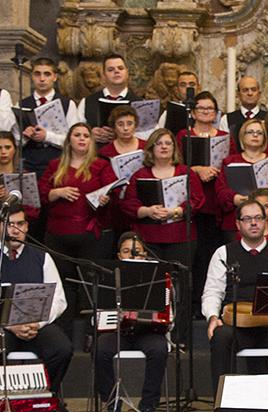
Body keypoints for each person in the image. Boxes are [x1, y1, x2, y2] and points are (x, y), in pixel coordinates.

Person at [0, 207, 73, 412]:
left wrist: (38, 322)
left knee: (62, 348)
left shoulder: (42, 258)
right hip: (2, 328)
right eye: (9, 224)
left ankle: (46, 398)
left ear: (26, 227)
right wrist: (9, 324)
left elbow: (59, 299)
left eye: (20, 224)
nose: (15, 230)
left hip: (36, 324)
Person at [203, 198, 268, 388]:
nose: (253, 222)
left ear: (266, 222)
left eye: (258, 218)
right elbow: (212, 291)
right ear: (238, 224)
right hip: (238, 327)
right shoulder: (223, 253)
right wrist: (212, 317)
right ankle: (224, 410)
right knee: (220, 336)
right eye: (247, 218)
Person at [121, 127, 206, 341]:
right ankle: (151, 333)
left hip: (181, 237)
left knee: (182, 289)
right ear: (151, 148)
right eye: (159, 143)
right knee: (151, 289)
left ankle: (180, 338)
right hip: (149, 238)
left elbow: (198, 200)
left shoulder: (186, 173)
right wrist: (148, 211)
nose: (164, 147)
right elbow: (128, 204)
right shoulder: (140, 175)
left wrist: (178, 210)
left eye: (168, 143)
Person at [39, 122, 116, 336]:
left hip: (90, 233)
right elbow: (42, 193)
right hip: (58, 233)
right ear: (69, 140)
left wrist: (105, 198)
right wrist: (58, 192)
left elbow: (112, 192)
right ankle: (64, 333)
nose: (82, 139)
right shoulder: (55, 165)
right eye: (77, 135)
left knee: (92, 285)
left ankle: (93, 335)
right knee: (63, 284)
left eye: (86, 136)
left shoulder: (100, 165)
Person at [95, 232, 169, 412]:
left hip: (148, 331)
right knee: (100, 350)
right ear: (119, 255)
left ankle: (148, 407)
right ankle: (112, 405)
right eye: (127, 251)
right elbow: (98, 310)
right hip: (118, 331)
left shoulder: (157, 275)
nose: (132, 256)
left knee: (160, 349)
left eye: (137, 252)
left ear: (145, 255)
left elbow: (168, 311)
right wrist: (110, 315)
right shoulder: (109, 275)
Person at [176, 91, 229, 309]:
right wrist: (197, 170)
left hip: (217, 201)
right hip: (194, 203)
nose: (206, 112)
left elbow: (230, 164)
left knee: (215, 254)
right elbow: (177, 165)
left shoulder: (225, 136)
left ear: (216, 113)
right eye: (201, 108)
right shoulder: (183, 135)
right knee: (196, 257)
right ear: (193, 112)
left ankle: (215, 302)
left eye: (210, 109)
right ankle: (196, 303)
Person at [217, 118, 268, 237]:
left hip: (267, 221)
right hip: (236, 218)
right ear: (242, 136)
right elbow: (221, 189)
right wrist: (235, 198)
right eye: (250, 132)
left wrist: (260, 199)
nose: (255, 135)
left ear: (264, 138)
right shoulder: (229, 161)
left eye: (259, 133)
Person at [0, 132, 40, 247]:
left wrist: (9, 199)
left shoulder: (24, 177)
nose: (3, 152)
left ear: (14, 149)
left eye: (7, 147)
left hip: (17, 231)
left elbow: (34, 212)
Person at [19, 56, 80, 176]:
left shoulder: (68, 104)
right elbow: (15, 139)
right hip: (29, 165)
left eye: (47, 74)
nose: (42, 79)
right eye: (37, 74)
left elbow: (73, 139)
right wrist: (25, 136)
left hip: (59, 164)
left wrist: (47, 136)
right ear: (32, 76)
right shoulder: (21, 104)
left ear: (55, 77)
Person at [76, 54, 142, 146]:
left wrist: (123, 134)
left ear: (127, 72)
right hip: (95, 156)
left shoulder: (141, 104)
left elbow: (148, 136)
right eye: (111, 69)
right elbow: (75, 132)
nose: (116, 71)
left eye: (120, 68)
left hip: (128, 156)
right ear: (103, 75)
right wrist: (89, 134)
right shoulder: (87, 102)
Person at [221, 76, 266, 151]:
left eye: (253, 90)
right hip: (235, 161)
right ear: (238, 94)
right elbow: (224, 148)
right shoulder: (227, 119)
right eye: (245, 90)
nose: (250, 93)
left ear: (259, 94)